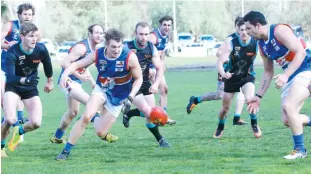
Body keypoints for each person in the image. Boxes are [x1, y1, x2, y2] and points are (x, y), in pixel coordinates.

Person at [55, 28, 143, 160]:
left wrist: (130, 97)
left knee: (101, 132)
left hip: (119, 97)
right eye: (113, 46)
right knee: (86, 117)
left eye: (119, 46)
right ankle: (66, 151)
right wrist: (65, 75)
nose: (117, 50)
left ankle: (94, 118)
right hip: (101, 89)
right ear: (106, 45)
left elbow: (139, 79)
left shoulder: (129, 57)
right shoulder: (98, 54)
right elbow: (76, 64)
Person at [244, 11, 311, 159]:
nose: (247, 33)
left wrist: (286, 75)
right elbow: (268, 72)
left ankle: (300, 150)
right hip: (293, 75)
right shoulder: (261, 45)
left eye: (249, 29)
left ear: (258, 25)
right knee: (288, 120)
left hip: (307, 69)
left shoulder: (279, 30)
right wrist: (258, 96)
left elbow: (301, 53)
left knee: (289, 105)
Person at [50, 24, 112, 144]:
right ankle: (103, 133)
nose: (99, 35)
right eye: (96, 33)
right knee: (91, 102)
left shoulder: (94, 49)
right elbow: (64, 63)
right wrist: (78, 75)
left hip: (76, 82)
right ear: (89, 34)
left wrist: (92, 83)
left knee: (73, 112)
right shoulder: (82, 47)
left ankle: (57, 136)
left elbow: (83, 66)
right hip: (67, 81)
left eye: (101, 33)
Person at [186, 17, 254, 126]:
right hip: (226, 71)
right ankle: (196, 99)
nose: (243, 30)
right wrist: (229, 60)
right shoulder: (230, 39)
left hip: (240, 73)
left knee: (244, 90)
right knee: (220, 95)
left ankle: (237, 117)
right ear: (236, 27)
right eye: (240, 27)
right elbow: (219, 53)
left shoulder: (249, 39)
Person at [1, 23, 54, 157]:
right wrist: (25, 80)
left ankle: (19, 131)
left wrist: (49, 81)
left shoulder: (41, 49)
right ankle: (1, 147)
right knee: (9, 119)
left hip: (30, 88)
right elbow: (11, 77)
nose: (34, 39)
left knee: (36, 123)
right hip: (13, 87)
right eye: (30, 36)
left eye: (35, 36)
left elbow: (48, 65)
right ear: (22, 36)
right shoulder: (13, 51)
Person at [123, 22, 170, 147]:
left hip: (145, 83)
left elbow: (160, 68)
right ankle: (161, 140)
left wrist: (155, 84)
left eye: (146, 34)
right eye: (141, 34)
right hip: (131, 85)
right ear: (135, 34)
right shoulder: (127, 47)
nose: (143, 37)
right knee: (150, 113)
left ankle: (129, 113)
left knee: (149, 115)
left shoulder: (151, 47)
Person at [212, 20, 261, 139]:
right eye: (242, 30)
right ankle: (220, 126)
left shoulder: (255, 42)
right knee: (225, 109)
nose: (244, 32)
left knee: (250, 99)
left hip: (247, 76)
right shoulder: (231, 44)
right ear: (238, 31)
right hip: (231, 78)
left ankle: (254, 124)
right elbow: (219, 62)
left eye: (246, 30)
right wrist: (223, 73)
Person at [1, 3, 35, 148]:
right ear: (19, 15)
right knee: (5, 102)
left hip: (19, 71)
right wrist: (8, 46)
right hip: (3, 69)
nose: (27, 17)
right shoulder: (10, 26)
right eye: (25, 14)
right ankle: (13, 127)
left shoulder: (33, 31)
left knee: (18, 98)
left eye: (30, 14)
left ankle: (15, 127)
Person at [148, 15, 176, 125]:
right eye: (164, 25)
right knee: (145, 94)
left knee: (164, 90)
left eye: (169, 25)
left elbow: (162, 51)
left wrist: (162, 64)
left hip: (156, 67)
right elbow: (144, 51)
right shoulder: (153, 37)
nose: (167, 27)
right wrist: (148, 69)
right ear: (160, 25)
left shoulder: (167, 36)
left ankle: (163, 116)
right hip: (148, 68)